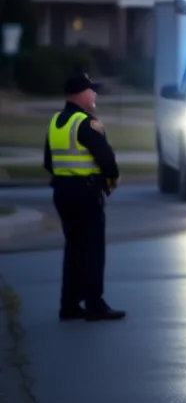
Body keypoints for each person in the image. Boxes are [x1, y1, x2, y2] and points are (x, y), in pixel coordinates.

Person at [44, 72, 125, 322]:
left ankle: (68, 305)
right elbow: (106, 158)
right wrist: (112, 179)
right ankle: (94, 305)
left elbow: (48, 162)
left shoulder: (56, 121)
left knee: (74, 249)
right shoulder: (86, 123)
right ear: (80, 94)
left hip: (62, 192)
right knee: (92, 249)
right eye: (92, 90)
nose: (95, 95)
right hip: (86, 193)